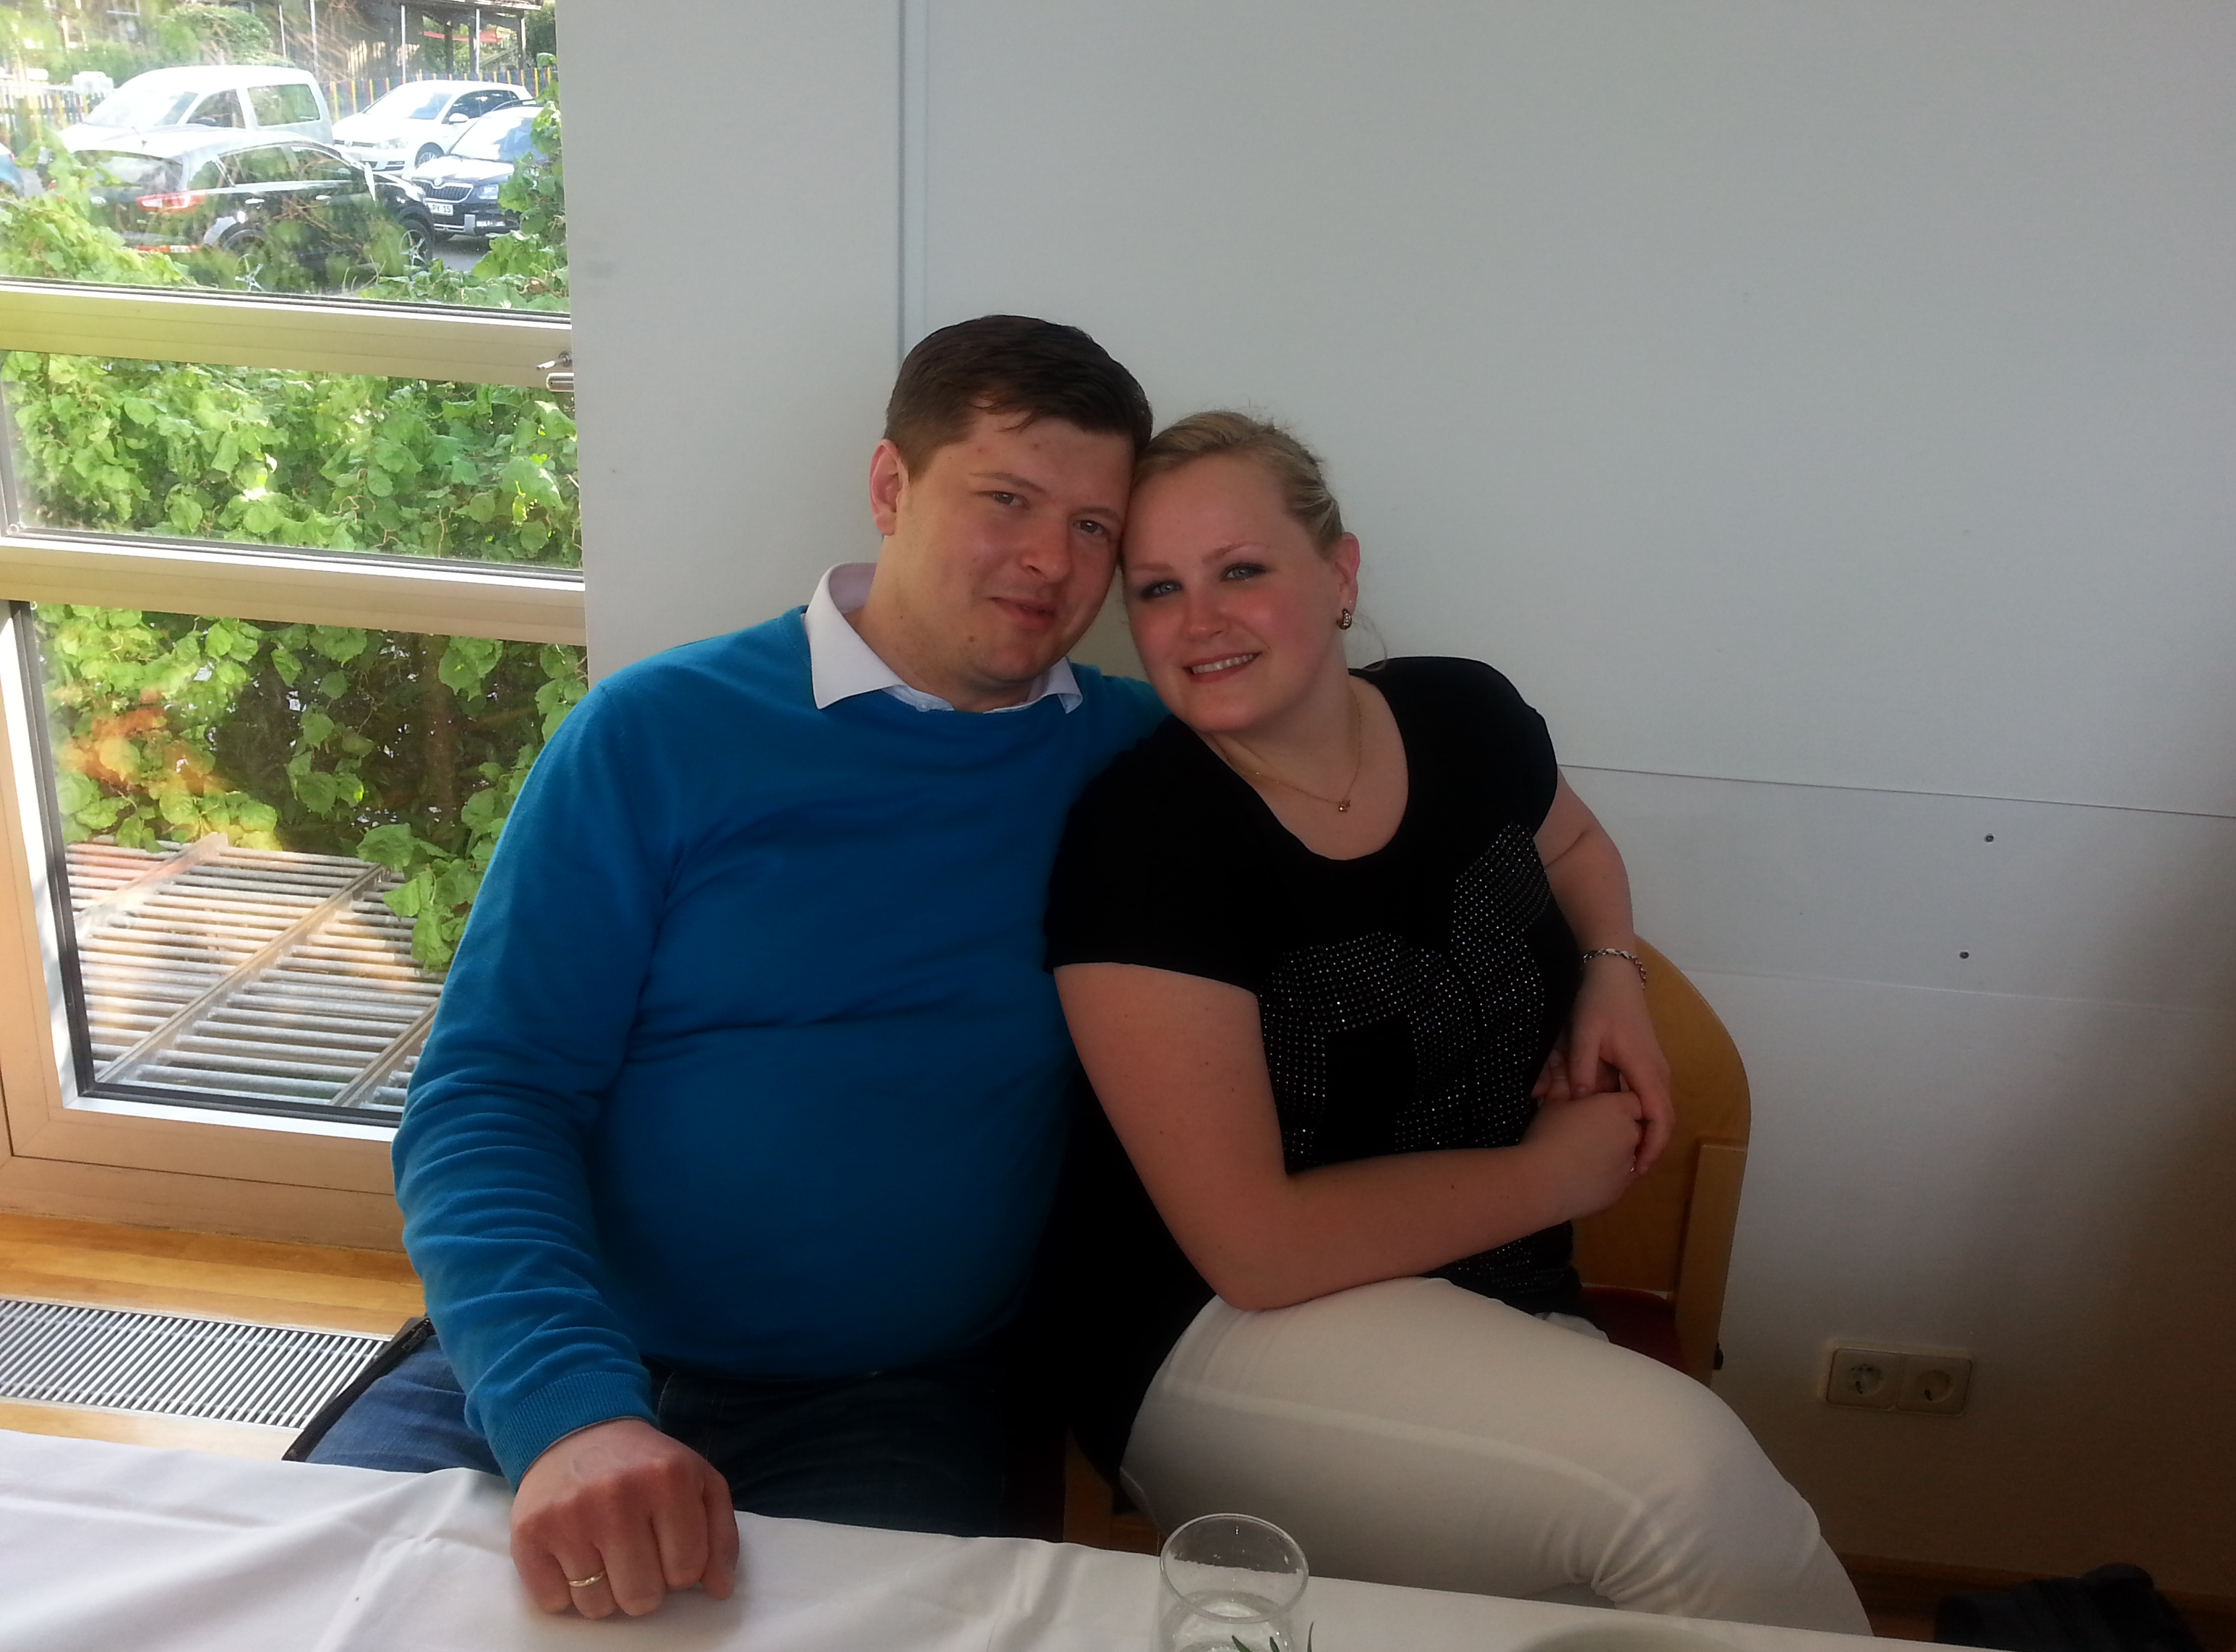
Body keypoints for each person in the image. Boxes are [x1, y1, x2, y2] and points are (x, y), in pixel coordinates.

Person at [308, 316, 1164, 1622]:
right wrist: (568, 1411)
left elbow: (1352, 768)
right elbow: (492, 1096)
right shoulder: (656, 735)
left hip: (882, 1402)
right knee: (327, 1615)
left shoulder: (1128, 761)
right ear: (891, 486)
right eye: (1007, 499)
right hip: (561, 1356)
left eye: (1095, 525)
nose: (1053, 559)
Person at [1041, 411, 1870, 1633]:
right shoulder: (1143, 842)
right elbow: (1255, 1251)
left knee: (1614, 1602)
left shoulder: (1462, 714)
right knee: (1682, 1489)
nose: (1199, 620)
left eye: (1242, 570)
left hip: (1493, 1287)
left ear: (1341, 573)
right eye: (1159, 589)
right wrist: (1555, 1176)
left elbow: (1573, 845)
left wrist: (1612, 971)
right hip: (1214, 1332)